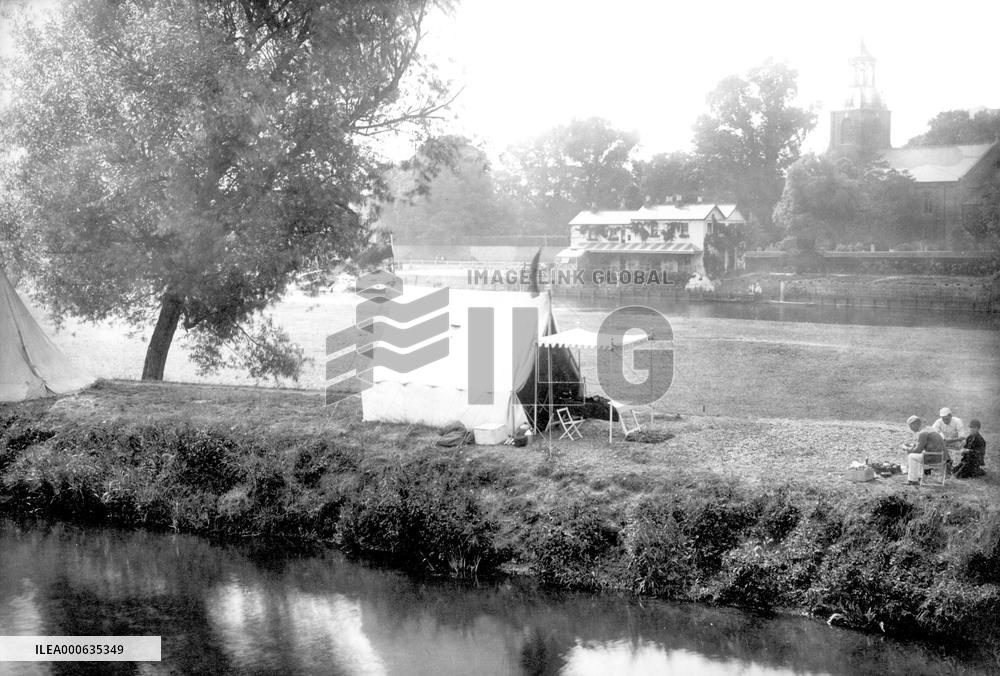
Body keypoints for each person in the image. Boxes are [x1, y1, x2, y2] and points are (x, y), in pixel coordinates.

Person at [904, 415, 947, 485]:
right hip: (942, 457)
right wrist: (913, 447)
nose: (910, 429)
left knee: (911, 456)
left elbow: (918, 450)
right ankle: (919, 476)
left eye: (910, 426)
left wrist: (907, 449)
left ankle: (912, 480)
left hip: (936, 458)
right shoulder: (929, 429)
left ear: (915, 424)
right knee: (919, 455)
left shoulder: (923, 433)